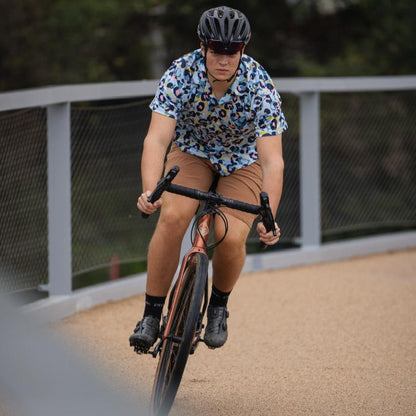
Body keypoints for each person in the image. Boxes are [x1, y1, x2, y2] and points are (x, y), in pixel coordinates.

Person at [130, 6, 287, 352]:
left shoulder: (259, 84)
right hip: (192, 152)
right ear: (203, 47)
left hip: (242, 162)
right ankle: (151, 314)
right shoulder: (181, 72)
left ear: (243, 49)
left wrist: (269, 216)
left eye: (232, 51)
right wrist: (150, 188)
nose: (224, 59)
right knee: (172, 218)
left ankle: (218, 306)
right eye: (217, 49)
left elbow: (272, 161)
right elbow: (156, 139)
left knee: (229, 235)